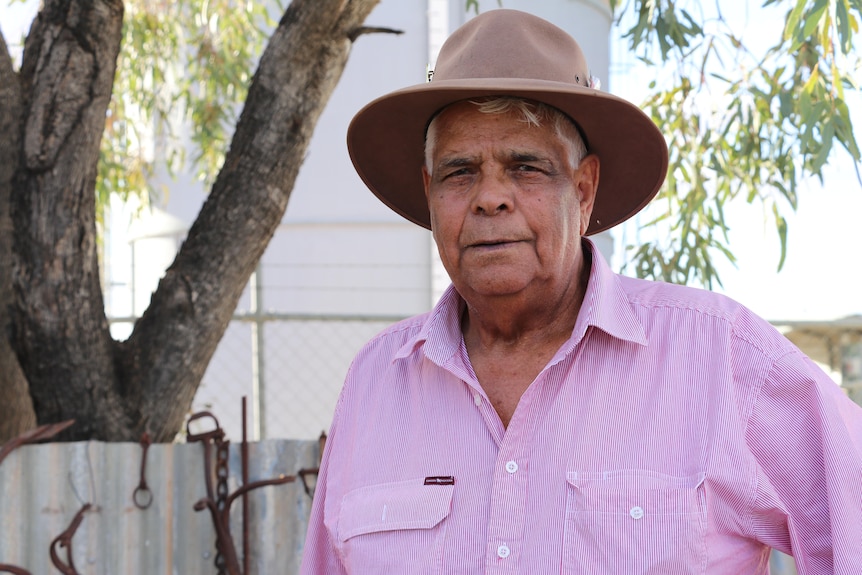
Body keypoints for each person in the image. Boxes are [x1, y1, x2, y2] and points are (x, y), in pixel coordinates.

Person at [300, 9, 862, 574]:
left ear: (584, 190)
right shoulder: (375, 380)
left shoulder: (720, 355)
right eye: (459, 171)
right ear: (430, 193)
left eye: (526, 168)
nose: (490, 197)